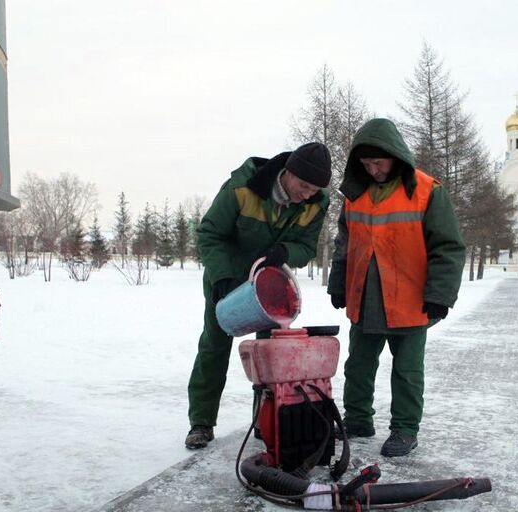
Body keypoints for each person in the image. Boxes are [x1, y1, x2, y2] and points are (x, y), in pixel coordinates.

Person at [327, 118, 465, 457]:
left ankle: (404, 430)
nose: (373, 169)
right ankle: (358, 419)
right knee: (358, 365)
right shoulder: (354, 196)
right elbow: (344, 244)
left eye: (379, 162)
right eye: (366, 163)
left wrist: (440, 295)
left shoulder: (427, 191)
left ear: (395, 155)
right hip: (364, 296)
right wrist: (338, 283)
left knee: (406, 372)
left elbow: (447, 247)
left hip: (409, 300)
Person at [185, 142, 331, 450]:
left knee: (271, 353)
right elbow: (210, 233)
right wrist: (222, 277)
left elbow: (306, 247)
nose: (307, 194)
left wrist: (285, 251)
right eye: (303, 186)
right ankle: (201, 422)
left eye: (313, 189)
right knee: (214, 346)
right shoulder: (242, 188)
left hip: (270, 284)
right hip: (227, 278)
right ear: (287, 172)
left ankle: (266, 419)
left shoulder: (317, 203)